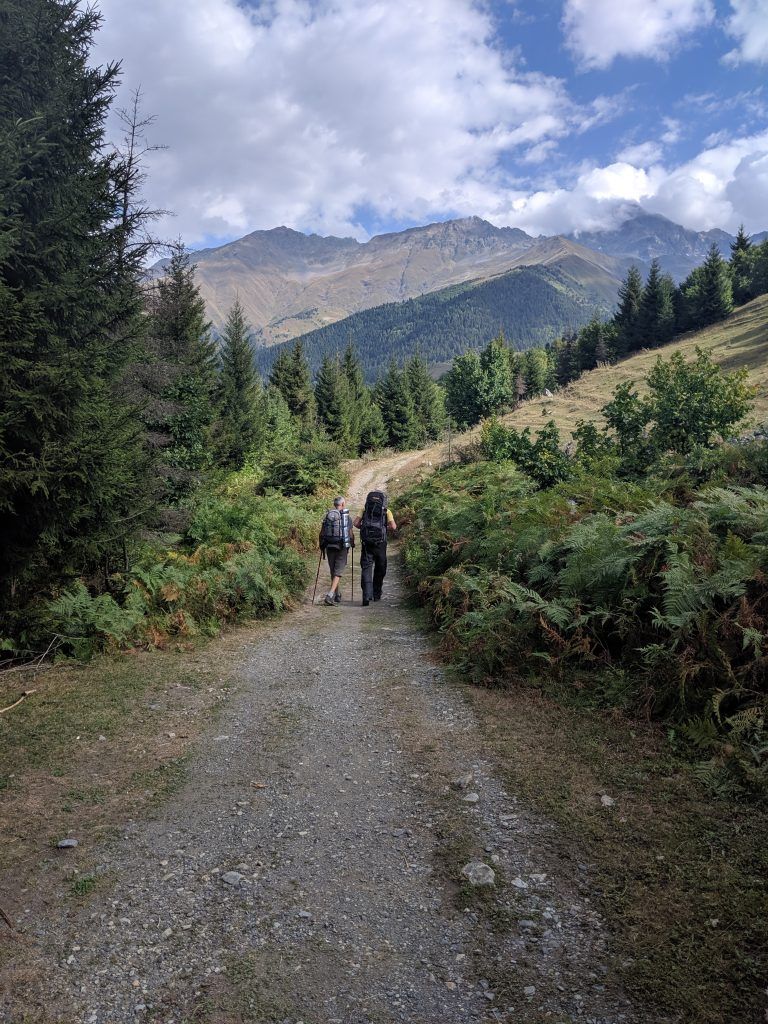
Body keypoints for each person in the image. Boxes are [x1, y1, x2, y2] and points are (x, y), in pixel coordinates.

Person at [353, 490, 397, 606]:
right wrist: (384, 527)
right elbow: (393, 526)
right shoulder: (387, 511)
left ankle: (366, 595)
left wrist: (365, 528)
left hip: (367, 543)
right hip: (381, 543)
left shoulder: (364, 509)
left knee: (366, 567)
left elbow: (356, 523)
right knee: (380, 568)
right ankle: (376, 594)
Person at [318, 495, 354, 605]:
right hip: (342, 546)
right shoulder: (346, 517)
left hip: (329, 546)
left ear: (335, 505)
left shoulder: (328, 516)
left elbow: (322, 532)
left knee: (333, 570)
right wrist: (352, 543)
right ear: (342, 504)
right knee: (338, 572)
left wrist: (322, 546)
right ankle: (330, 595)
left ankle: (337, 594)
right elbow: (350, 533)